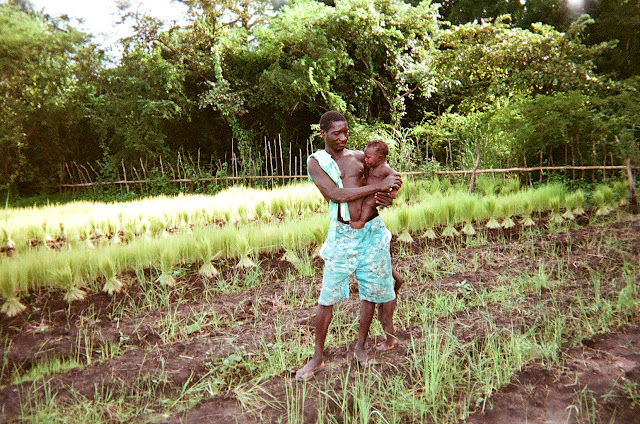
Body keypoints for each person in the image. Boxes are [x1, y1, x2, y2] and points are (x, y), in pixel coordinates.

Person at [295, 111, 402, 382]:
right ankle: (318, 357)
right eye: (336, 134)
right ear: (323, 134)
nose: (343, 138)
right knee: (327, 296)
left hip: (372, 231)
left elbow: (387, 177)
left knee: (370, 292)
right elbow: (335, 194)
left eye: (345, 132)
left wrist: (389, 193)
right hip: (343, 234)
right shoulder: (317, 162)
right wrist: (375, 189)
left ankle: (360, 347)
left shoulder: (360, 157)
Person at [349, 140, 399, 230]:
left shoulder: (384, 168)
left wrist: (394, 191)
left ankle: (361, 222)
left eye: (368, 158)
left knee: (367, 204)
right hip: (372, 192)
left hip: (378, 194)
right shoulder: (372, 167)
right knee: (364, 203)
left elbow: (396, 176)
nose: (365, 160)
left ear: (379, 158)